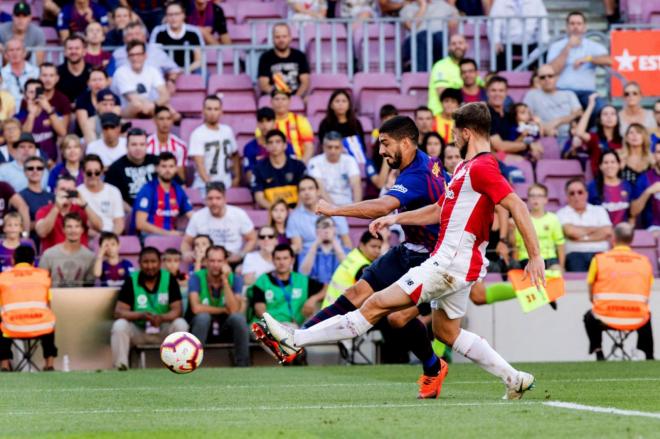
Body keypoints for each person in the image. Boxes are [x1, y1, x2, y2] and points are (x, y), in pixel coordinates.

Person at [258, 103, 542, 400]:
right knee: (446, 332)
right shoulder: (463, 169)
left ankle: (295, 339)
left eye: (456, 132)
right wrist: (396, 218)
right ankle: (514, 377)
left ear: (467, 133)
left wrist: (534, 256)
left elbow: (517, 205)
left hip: (447, 265)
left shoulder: (482, 167)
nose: (453, 137)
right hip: (457, 264)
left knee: (375, 304)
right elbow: (438, 210)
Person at [257, 117, 447, 399]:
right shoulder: (425, 161)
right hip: (410, 249)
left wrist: (335, 210)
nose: (381, 151)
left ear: (405, 142)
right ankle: (295, 338)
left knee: (398, 320)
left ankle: (434, 368)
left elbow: (382, 206)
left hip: (433, 259)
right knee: (357, 291)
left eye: (385, 144)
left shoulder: (416, 175)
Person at [583, 223, 654, 361]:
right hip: (636, 317)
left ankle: (598, 351)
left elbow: (591, 289)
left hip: (605, 317)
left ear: (613, 238)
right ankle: (649, 355)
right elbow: (647, 291)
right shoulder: (644, 261)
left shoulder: (599, 260)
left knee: (588, 317)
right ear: (632, 240)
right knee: (647, 315)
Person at [110, 246, 189, 370]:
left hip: (163, 329)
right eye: (146, 262)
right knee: (119, 325)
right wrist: (140, 315)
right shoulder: (131, 280)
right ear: (139, 263)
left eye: (153, 262)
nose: (150, 266)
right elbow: (119, 312)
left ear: (159, 263)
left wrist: (161, 318)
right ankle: (120, 366)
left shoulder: (169, 279)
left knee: (181, 324)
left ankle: (180, 365)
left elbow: (178, 310)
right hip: (139, 330)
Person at [188, 245, 249, 366]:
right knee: (203, 317)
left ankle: (243, 365)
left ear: (225, 262)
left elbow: (233, 310)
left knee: (238, 318)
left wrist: (225, 281)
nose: (215, 265)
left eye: (219, 261)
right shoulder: (196, 277)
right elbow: (196, 308)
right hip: (201, 327)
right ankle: (193, 364)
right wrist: (222, 310)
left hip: (226, 326)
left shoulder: (235, 279)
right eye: (212, 261)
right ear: (205, 261)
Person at [0, 245, 57, 371]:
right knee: (49, 320)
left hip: (12, 328)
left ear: (13, 260)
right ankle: (49, 363)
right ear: (33, 261)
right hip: (41, 327)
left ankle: (4, 365)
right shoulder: (44, 276)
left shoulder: (2, 277)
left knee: (2, 323)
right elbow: (48, 305)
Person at [248, 243, 326, 328]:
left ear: (292, 260)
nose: (281, 262)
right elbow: (260, 311)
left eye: (285, 258)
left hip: (292, 327)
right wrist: (278, 327)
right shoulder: (263, 280)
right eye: (278, 259)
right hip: (266, 327)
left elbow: (327, 288)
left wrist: (313, 299)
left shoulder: (301, 280)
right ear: (273, 260)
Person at [546, 11, 610, 112]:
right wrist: (568, 47)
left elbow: (609, 60)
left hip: (587, 93)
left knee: (601, 109)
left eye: (579, 24)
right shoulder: (557, 46)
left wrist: (588, 58)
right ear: (567, 27)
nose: (575, 27)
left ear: (584, 27)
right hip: (563, 92)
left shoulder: (593, 46)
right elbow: (552, 70)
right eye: (572, 24)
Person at [182, 182, 256, 265]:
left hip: (232, 261)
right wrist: (186, 253)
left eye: (218, 198)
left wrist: (241, 254)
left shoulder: (239, 214)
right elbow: (186, 242)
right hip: (206, 263)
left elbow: (252, 238)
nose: (214, 202)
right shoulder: (197, 216)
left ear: (224, 199)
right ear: (205, 200)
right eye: (210, 198)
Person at [557, 178, 612, 272]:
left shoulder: (599, 210)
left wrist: (582, 237)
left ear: (586, 194)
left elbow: (607, 231)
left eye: (580, 192)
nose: (576, 196)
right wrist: (596, 230)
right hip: (574, 254)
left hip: (600, 253)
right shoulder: (561, 213)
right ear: (567, 196)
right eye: (572, 193)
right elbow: (571, 233)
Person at [35, 175, 103, 253]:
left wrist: (85, 205)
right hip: (53, 259)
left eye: (70, 190)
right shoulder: (44, 210)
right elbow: (42, 233)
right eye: (62, 189)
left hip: (79, 259)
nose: (66, 193)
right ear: (55, 191)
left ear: (75, 191)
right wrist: (57, 208)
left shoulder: (81, 209)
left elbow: (99, 227)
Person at [286, 176, 352, 255]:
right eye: (302, 190)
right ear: (299, 194)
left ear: (318, 191)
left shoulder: (335, 211)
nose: (307, 193)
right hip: (309, 258)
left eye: (310, 188)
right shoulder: (294, 217)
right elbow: (298, 247)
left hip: (335, 256)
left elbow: (346, 242)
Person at [134, 152, 193, 237]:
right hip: (150, 236)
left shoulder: (178, 190)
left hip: (172, 234)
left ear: (176, 168)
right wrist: (168, 234)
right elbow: (140, 224)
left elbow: (191, 215)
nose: (168, 170)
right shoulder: (148, 189)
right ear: (157, 168)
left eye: (171, 166)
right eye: (164, 166)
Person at [113, 41, 175, 119]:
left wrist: (154, 104)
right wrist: (152, 105)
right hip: (125, 111)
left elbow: (165, 94)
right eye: (132, 55)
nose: (135, 58)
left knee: (172, 112)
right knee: (137, 105)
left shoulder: (152, 70)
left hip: (148, 107)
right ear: (128, 57)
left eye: (139, 54)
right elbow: (133, 98)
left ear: (145, 56)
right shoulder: (121, 72)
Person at [523, 64, 582, 145]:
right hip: (543, 137)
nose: (547, 79)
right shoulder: (532, 95)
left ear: (556, 77)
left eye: (550, 76)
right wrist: (543, 128)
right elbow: (525, 117)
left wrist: (558, 121)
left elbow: (578, 113)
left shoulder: (569, 94)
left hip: (569, 136)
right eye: (542, 77)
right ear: (539, 80)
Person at [189, 95, 239, 190]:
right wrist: (210, 185)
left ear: (221, 111)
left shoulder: (227, 131)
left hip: (226, 184)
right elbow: (199, 164)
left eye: (216, 109)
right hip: (204, 186)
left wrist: (237, 177)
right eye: (209, 109)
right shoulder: (197, 134)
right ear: (203, 111)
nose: (212, 112)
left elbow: (235, 155)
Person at [322, 231, 383, 308]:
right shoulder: (362, 266)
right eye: (373, 246)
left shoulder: (354, 254)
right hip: (339, 312)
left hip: (328, 307)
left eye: (379, 247)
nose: (377, 251)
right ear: (362, 245)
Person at [109, 21, 182, 84]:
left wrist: (171, 81)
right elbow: (110, 77)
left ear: (145, 37)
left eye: (137, 34)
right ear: (124, 39)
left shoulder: (157, 52)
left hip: (154, 93)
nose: (134, 37)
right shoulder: (117, 54)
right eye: (130, 35)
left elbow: (174, 69)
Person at [487, 76, 541, 159]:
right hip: (494, 158)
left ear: (506, 93)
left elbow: (520, 137)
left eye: (501, 90)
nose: (497, 94)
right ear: (487, 92)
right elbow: (500, 146)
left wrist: (532, 144)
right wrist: (528, 145)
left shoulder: (510, 115)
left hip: (513, 154)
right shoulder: (485, 115)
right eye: (493, 90)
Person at [104, 128, 158, 211]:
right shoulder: (116, 168)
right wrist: (132, 214)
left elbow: (175, 185)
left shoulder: (157, 162)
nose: (138, 148)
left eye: (142, 144)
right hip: (128, 213)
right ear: (127, 146)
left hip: (158, 210)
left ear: (147, 146)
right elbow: (111, 195)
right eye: (134, 144)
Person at [252, 130, 307, 209]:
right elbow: (259, 198)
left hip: (296, 211)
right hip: (272, 212)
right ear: (266, 147)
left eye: (278, 142)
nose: (274, 145)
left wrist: (295, 212)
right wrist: (278, 211)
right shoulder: (259, 168)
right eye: (270, 142)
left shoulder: (298, 166)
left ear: (285, 145)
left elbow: (305, 191)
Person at [17, 79, 67, 165]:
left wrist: (48, 108)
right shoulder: (19, 116)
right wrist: (31, 114)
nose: (35, 95)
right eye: (31, 92)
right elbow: (24, 138)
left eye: (37, 91)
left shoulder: (51, 113)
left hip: (51, 162)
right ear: (25, 96)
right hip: (27, 163)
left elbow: (62, 132)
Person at [400, 0, 459, 73]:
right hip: (415, 44)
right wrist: (423, 6)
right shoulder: (408, 8)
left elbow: (454, 24)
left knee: (440, 36)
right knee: (424, 35)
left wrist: (452, 5)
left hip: (438, 42)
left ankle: (442, 73)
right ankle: (421, 75)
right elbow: (411, 27)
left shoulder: (442, 5)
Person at [39, 212, 96, 287]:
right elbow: (41, 283)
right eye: (69, 227)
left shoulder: (90, 257)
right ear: (63, 229)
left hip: (80, 298)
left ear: (82, 230)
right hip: (55, 298)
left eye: (77, 226)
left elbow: (90, 287)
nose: (73, 230)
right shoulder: (49, 254)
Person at [489, 0, 549, 71]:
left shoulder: (536, 1)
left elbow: (543, 24)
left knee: (542, 52)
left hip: (530, 42)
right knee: (499, 53)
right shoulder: (500, 2)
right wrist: (496, 41)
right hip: (507, 43)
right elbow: (493, 23)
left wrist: (542, 43)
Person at [572, 93, 622, 176]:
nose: (609, 117)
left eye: (613, 114)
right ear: (600, 120)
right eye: (605, 114)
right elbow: (579, 132)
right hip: (598, 180)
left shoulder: (622, 140)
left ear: (617, 119)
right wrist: (591, 106)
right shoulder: (595, 138)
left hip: (618, 180)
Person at [308, 131, 362, 206]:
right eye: (329, 147)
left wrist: (356, 207)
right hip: (323, 206)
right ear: (323, 147)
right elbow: (320, 188)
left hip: (347, 204)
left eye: (336, 147)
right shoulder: (314, 162)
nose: (333, 151)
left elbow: (356, 185)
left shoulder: (350, 160)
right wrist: (335, 210)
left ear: (342, 147)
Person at [242, 107, 295, 183]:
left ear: (274, 123)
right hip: (260, 187)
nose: (265, 125)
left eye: (268, 121)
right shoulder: (249, 147)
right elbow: (249, 174)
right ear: (257, 124)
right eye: (261, 121)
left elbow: (293, 168)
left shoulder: (285, 145)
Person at [257, 23, 310, 97]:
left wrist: (295, 98)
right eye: (277, 37)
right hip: (275, 98)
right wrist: (281, 98)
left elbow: (305, 83)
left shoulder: (300, 56)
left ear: (290, 38)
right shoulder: (265, 57)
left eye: (284, 36)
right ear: (273, 39)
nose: (281, 40)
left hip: (296, 96)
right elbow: (264, 85)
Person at [317, 90, 368, 167]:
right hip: (332, 160)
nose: (341, 104)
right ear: (331, 105)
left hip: (354, 162)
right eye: (337, 101)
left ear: (349, 105)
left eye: (344, 101)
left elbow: (362, 146)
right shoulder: (325, 124)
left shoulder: (356, 123)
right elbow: (324, 145)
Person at [77, 154, 125, 235]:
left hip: (111, 235)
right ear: (83, 173)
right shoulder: (78, 192)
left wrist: (112, 237)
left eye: (97, 172)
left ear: (102, 172)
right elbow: (78, 225)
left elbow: (119, 222)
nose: (93, 176)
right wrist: (99, 237)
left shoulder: (113, 191)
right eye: (89, 173)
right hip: (88, 236)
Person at [150, 1, 204, 71]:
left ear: (183, 15)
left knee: (201, 72)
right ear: (166, 16)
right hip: (165, 72)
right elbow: (154, 57)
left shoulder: (194, 32)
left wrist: (183, 70)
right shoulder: (158, 32)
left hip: (190, 70)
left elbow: (199, 60)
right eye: (170, 15)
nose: (173, 18)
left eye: (177, 14)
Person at [587, 151, 633, 225]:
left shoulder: (627, 185)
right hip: (601, 232)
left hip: (623, 233)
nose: (609, 165)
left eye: (613, 162)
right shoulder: (592, 187)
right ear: (600, 166)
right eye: (606, 162)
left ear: (619, 165)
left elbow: (632, 215)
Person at [299, 216, 349, 284]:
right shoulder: (306, 251)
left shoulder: (345, 251)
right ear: (316, 230)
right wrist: (315, 244)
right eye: (323, 227)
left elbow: (349, 269)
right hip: (315, 290)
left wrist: (334, 241)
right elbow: (303, 273)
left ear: (335, 230)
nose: (326, 230)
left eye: (330, 227)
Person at [428, 34, 469, 115]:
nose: (457, 46)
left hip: (457, 117)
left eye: (460, 43)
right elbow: (444, 95)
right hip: (439, 116)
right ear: (448, 47)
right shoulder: (441, 66)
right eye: (453, 44)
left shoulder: (467, 67)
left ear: (466, 46)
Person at [271, 90, 315, 163]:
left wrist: (301, 166)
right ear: (271, 102)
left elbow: (309, 147)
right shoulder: (266, 123)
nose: (280, 102)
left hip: (298, 162)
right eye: (277, 99)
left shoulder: (300, 120)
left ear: (289, 101)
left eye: (283, 99)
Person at [147, 106, 188, 181]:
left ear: (172, 121)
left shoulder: (180, 146)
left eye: (168, 119)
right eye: (161, 119)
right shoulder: (146, 145)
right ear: (155, 121)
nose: (165, 122)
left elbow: (180, 173)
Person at [75, 72, 115, 144]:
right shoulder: (82, 99)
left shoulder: (114, 97)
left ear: (107, 82)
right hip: (87, 136)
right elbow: (84, 126)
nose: (97, 83)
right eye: (94, 80)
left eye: (100, 79)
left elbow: (114, 119)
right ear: (88, 83)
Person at [19, 156, 53, 238]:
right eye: (30, 168)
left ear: (43, 171)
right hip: (30, 244)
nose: (35, 171)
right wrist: (42, 223)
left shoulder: (52, 197)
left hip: (51, 244)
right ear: (25, 172)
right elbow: (16, 225)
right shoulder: (19, 197)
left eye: (39, 168)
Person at [56, 35, 92, 105]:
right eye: (70, 48)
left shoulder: (93, 72)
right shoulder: (57, 73)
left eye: (77, 48)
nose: (73, 51)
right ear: (65, 52)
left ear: (84, 51)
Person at [630, 147, 660, 232]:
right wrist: (648, 191)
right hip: (654, 229)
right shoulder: (644, 178)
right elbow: (633, 212)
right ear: (654, 156)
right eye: (659, 152)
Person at [0, 37, 38, 104]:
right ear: (5, 55)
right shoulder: (1, 74)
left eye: (18, 49)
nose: (15, 53)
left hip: (30, 109)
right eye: (11, 50)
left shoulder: (36, 72)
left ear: (24, 53)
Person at [39, 63, 73, 132]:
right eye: (44, 75)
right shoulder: (31, 99)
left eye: (51, 75)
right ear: (39, 77)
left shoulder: (63, 100)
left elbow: (63, 132)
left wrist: (48, 109)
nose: (48, 79)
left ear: (57, 78)